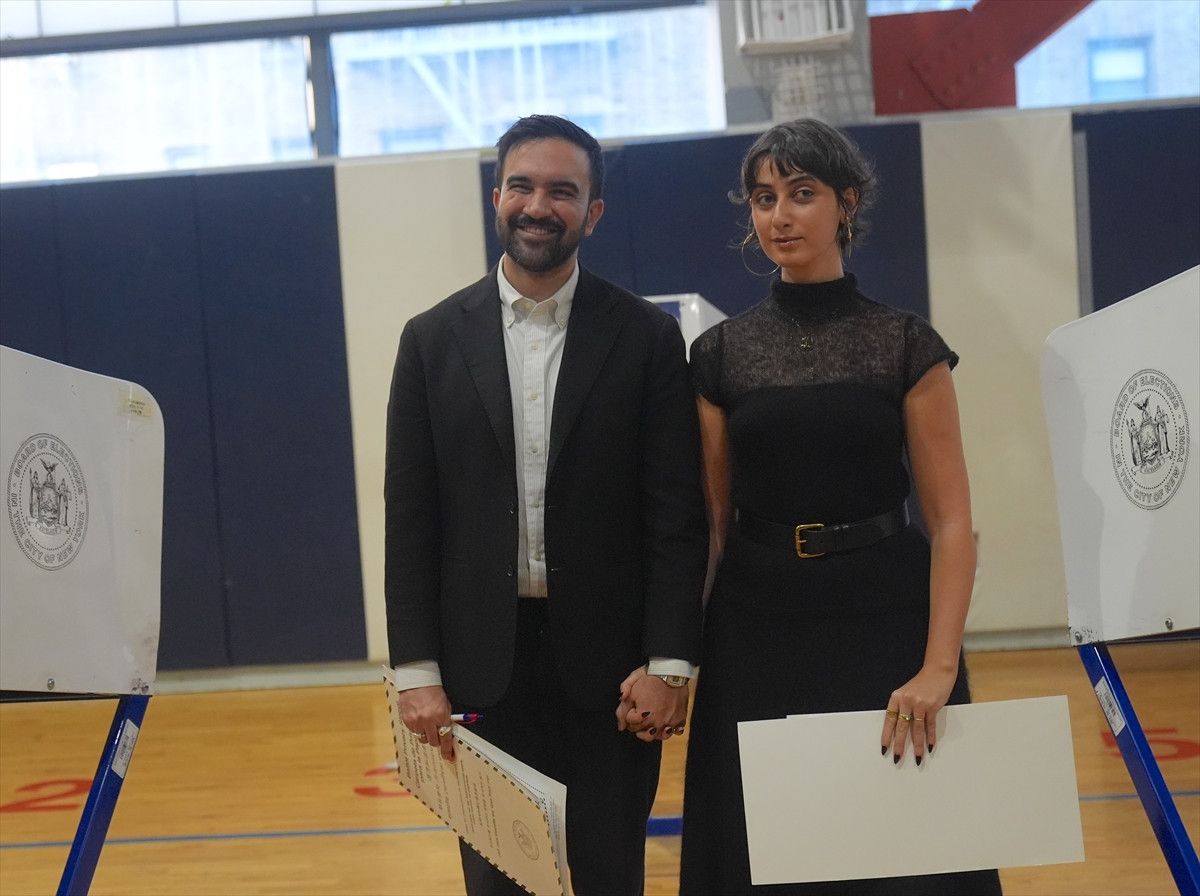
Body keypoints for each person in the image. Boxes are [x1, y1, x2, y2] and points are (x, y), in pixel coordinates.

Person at [384, 114, 708, 896]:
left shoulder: (646, 338)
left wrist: (669, 663)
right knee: (499, 884)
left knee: (607, 878)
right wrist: (416, 671)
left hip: (613, 676)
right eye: (522, 186)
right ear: (496, 197)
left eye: (562, 191)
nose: (539, 206)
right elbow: (411, 521)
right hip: (479, 674)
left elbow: (676, 516)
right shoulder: (430, 340)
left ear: (592, 212)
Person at [678, 119, 1003, 895]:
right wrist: (678, 658)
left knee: (907, 855)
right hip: (755, 630)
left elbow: (951, 522)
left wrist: (938, 665)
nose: (780, 215)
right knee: (763, 856)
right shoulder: (720, 354)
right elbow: (712, 529)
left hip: (885, 622)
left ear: (846, 203)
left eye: (802, 193)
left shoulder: (905, 342)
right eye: (765, 199)